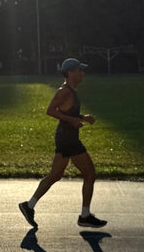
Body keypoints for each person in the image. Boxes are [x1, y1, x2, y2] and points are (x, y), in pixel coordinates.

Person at [19, 58, 107, 229]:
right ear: (70, 73)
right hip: (68, 139)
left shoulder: (72, 91)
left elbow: (67, 113)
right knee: (90, 174)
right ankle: (85, 216)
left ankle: (28, 206)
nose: (82, 73)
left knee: (55, 175)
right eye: (79, 70)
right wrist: (73, 121)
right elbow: (50, 110)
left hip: (66, 137)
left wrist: (82, 118)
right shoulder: (64, 91)